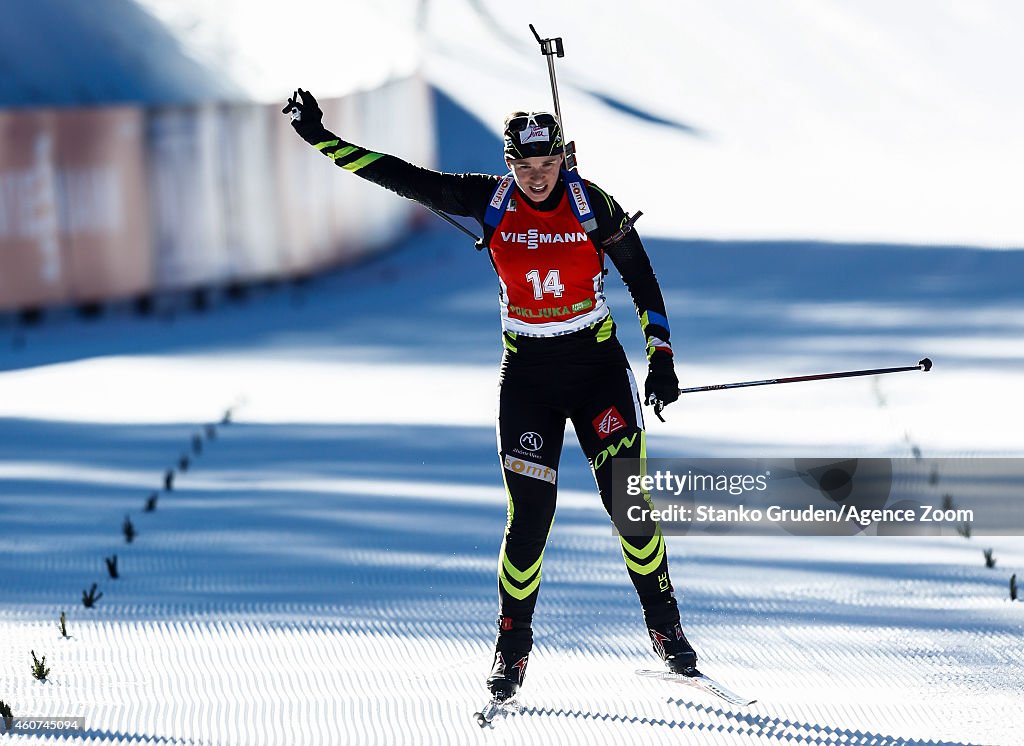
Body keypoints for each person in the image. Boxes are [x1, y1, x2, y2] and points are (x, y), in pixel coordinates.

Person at [283, 89, 698, 701]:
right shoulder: (489, 200)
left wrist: (660, 357)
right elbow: (404, 177)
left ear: (564, 159)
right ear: (510, 164)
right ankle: (512, 647)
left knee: (628, 506)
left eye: (547, 165)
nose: (536, 178)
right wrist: (321, 138)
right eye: (525, 168)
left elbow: (643, 281)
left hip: (596, 371)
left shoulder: (592, 205)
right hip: (529, 377)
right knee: (530, 517)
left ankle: (666, 630)